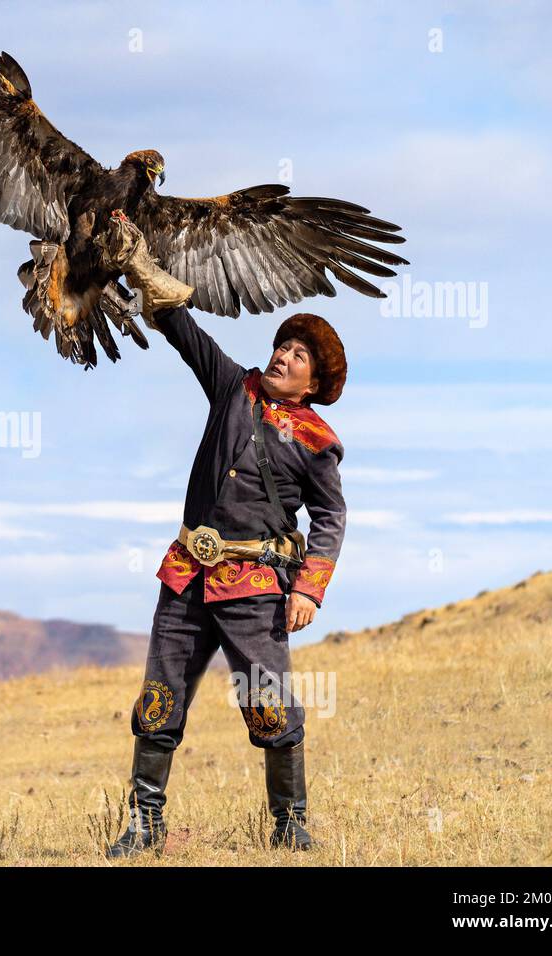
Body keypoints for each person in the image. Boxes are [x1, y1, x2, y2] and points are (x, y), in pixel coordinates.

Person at [104, 226, 348, 858]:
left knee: (268, 707)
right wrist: (141, 266)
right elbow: (185, 333)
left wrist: (311, 591)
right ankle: (144, 825)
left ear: (315, 382)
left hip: (257, 589)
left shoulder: (318, 444)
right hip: (186, 575)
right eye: (283, 345)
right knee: (158, 700)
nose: (284, 356)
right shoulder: (231, 386)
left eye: (299, 355)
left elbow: (330, 519)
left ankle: (289, 825)